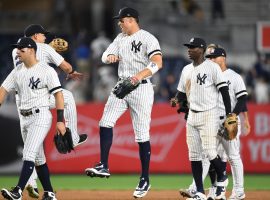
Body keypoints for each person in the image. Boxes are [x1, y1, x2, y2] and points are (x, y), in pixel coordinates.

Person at [84, 7, 162, 198]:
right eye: (119, 20)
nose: (119, 23)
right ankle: (103, 165)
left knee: (142, 135)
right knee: (105, 122)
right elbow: (104, 55)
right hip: (121, 86)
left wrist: (137, 77)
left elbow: (157, 63)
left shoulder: (148, 38)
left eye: (122, 20)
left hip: (141, 87)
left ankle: (145, 179)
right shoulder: (120, 39)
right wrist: (109, 57)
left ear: (132, 20)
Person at [12, 24, 88, 198]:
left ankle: (32, 183)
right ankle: (74, 138)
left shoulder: (17, 50)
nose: (45, 38)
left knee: (32, 146)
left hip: (20, 99)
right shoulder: (44, 48)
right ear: (35, 36)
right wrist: (70, 69)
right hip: (36, 97)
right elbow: (66, 67)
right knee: (67, 96)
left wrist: (48, 52)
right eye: (42, 35)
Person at [179, 45, 250, 200]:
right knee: (205, 155)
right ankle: (197, 189)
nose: (211, 59)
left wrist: (234, 115)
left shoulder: (234, 76)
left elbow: (242, 98)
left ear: (223, 57)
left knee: (232, 156)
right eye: (209, 57)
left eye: (214, 57)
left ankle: (238, 191)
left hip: (227, 121)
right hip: (209, 120)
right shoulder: (207, 73)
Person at [0, 37, 65, 200]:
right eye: (18, 49)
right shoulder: (18, 71)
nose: (18, 52)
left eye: (21, 49)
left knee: (28, 153)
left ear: (31, 50)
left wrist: (60, 120)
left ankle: (18, 192)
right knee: (38, 158)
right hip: (24, 118)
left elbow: (58, 94)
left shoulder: (46, 70)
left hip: (40, 116)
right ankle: (50, 193)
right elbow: (3, 89)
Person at [175, 37, 231, 200]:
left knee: (209, 151)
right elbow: (181, 92)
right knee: (194, 155)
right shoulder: (186, 69)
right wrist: (177, 99)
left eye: (192, 47)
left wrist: (229, 114)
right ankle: (199, 192)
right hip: (192, 115)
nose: (189, 49)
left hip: (208, 114)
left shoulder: (212, 67)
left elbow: (224, 91)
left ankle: (222, 174)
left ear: (201, 50)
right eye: (188, 47)